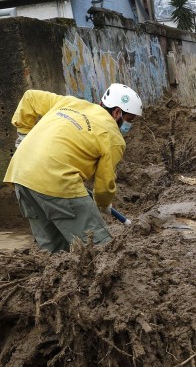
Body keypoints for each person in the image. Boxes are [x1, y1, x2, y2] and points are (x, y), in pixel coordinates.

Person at [3, 84, 143, 253]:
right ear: (117, 112)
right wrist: (104, 204)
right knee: (100, 249)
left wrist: (24, 134)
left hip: (20, 175)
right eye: (129, 119)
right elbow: (104, 183)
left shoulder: (70, 103)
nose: (128, 125)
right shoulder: (113, 137)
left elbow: (30, 97)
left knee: (53, 251)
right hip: (58, 181)